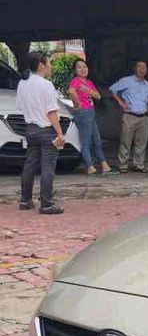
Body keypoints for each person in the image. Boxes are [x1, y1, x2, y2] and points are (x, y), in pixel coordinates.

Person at [18, 51, 65, 215]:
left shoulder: (22, 84)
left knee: (29, 165)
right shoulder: (46, 85)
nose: (50, 66)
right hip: (46, 130)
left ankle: (25, 200)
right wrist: (60, 133)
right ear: (41, 65)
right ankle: (46, 204)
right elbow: (51, 112)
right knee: (48, 167)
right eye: (49, 63)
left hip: (30, 129)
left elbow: (21, 107)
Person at [68, 58, 115, 176]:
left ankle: (104, 165)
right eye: (79, 67)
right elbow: (71, 91)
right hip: (83, 112)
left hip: (91, 111)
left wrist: (88, 90)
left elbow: (98, 96)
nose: (83, 69)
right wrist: (77, 104)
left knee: (97, 140)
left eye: (85, 67)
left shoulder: (89, 82)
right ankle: (89, 166)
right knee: (86, 141)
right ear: (75, 70)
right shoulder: (75, 81)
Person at [110, 60, 148, 174]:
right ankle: (123, 165)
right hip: (129, 116)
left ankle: (138, 164)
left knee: (141, 142)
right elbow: (113, 89)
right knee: (125, 141)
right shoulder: (127, 81)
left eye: (144, 67)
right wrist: (120, 102)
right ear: (134, 69)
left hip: (143, 117)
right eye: (139, 67)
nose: (142, 69)